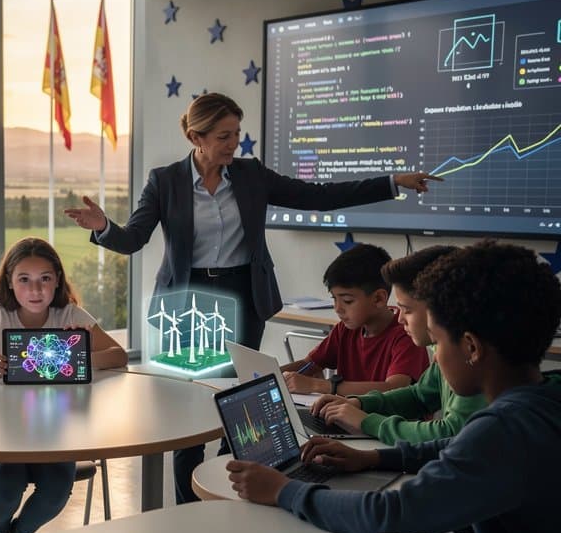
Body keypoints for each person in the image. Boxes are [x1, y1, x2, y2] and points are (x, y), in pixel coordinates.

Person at [64, 92, 440, 504]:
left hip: (243, 296)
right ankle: (189, 507)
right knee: (189, 411)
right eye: (223, 136)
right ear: (196, 137)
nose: (233, 144)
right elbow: (133, 239)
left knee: (239, 406)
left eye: (236, 133)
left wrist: (392, 183)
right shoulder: (165, 181)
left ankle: (228, 494)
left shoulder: (250, 175)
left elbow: (318, 195)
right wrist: (103, 226)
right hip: (188, 305)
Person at [227, 240, 561, 533]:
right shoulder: (542, 400)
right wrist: (373, 458)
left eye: (438, 341)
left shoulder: (505, 430)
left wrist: (284, 491)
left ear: (471, 347)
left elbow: (391, 514)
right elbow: (457, 446)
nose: (434, 356)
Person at [0, 237, 128, 533]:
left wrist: (80, 357)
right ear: (9, 281)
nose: (36, 290)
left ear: (57, 280)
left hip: (52, 432)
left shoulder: (70, 315)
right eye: (24, 280)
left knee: (56, 490)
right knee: (6, 487)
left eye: (44, 279)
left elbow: (118, 355)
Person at [309, 245, 486, 442]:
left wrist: (367, 422)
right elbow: (419, 396)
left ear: (438, 307)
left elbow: (451, 434)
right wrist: (360, 404)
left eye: (407, 310)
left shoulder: (467, 357)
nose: (400, 318)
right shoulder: (444, 348)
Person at [281, 243, 430, 398]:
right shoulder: (344, 329)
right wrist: (270, 377)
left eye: (347, 301)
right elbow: (308, 365)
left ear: (378, 299)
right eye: (334, 299)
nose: (337, 308)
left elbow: (393, 388)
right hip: (348, 411)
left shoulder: (406, 334)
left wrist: (317, 385)